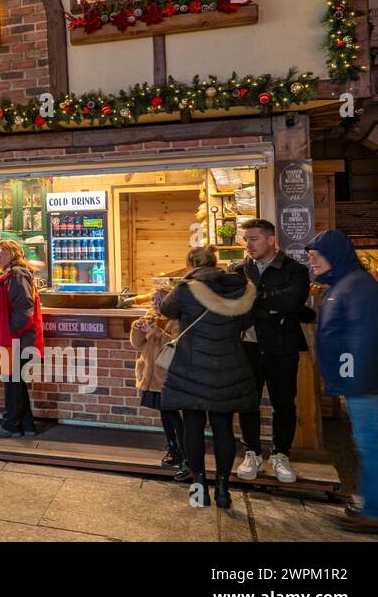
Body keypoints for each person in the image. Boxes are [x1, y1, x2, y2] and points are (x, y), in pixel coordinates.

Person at [307, 230, 378, 532]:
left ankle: (376, 514)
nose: (312, 262)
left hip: (368, 383)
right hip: (362, 382)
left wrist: (348, 378)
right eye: (310, 257)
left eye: (317, 256)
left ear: (335, 255)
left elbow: (364, 339)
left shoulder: (357, 286)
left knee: (372, 445)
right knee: (372, 445)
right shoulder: (343, 285)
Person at [159, 245, 257, 509]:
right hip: (229, 367)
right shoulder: (241, 288)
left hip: (192, 369)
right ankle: (223, 490)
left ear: (191, 262)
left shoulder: (186, 288)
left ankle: (198, 489)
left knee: (193, 428)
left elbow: (166, 311)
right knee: (223, 429)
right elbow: (245, 322)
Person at [229, 218, 313, 485]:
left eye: (253, 238)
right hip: (248, 347)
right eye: (246, 239)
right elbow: (234, 305)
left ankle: (280, 455)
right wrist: (273, 305)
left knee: (284, 403)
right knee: (248, 403)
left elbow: (293, 300)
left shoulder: (295, 269)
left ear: (271, 239)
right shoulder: (237, 270)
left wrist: (254, 301)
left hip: (282, 346)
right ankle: (252, 452)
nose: (247, 244)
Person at [0, 239, 44, 439]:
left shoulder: (17, 274)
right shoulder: (7, 275)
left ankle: (10, 425)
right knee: (16, 381)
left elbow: (24, 308)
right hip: (11, 337)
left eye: (2, 251)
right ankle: (27, 425)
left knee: (12, 382)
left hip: (17, 339)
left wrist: (10, 330)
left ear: (14, 253)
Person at [130, 297, 184, 472]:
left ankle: (183, 450)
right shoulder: (149, 316)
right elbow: (137, 344)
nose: (153, 303)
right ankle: (172, 447)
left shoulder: (176, 319)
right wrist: (137, 328)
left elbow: (176, 346)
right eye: (152, 299)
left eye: (158, 300)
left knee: (172, 414)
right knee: (164, 412)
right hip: (151, 375)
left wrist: (156, 331)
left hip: (166, 375)